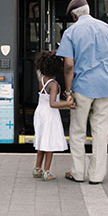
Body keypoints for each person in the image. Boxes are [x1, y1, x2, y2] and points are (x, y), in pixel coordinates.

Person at [56, 0, 108, 184]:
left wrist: (68, 92)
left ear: (74, 16)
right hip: (106, 87)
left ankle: (78, 173)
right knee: (101, 132)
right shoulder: (107, 29)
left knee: (77, 131)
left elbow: (69, 66)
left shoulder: (70, 33)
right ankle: (96, 176)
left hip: (82, 88)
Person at [33, 51, 75, 181]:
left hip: (40, 112)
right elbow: (53, 104)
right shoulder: (54, 85)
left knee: (41, 142)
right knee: (49, 144)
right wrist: (68, 103)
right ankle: (47, 172)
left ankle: (37, 169)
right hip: (49, 115)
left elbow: (38, 69)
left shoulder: (41, 79)